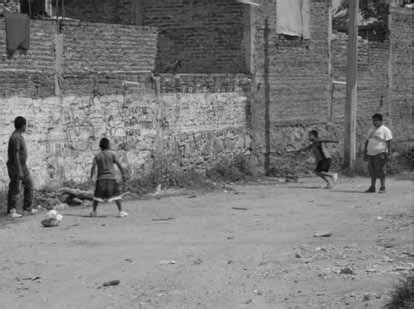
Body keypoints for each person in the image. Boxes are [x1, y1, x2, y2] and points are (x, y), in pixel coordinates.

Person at [7, 116, 37, 218]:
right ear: (22, 125)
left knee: (29, 185)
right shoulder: (16, 137)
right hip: (17, 167)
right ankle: (12, 210)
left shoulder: (18, 136)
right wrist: (19, 170)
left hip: (22, 166)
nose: (26, 127)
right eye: (25, 125)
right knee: (15, 188)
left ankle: (27, 208)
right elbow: (15, 154)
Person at [90, 138, 128, 217]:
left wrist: (91, 176)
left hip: (100, 179)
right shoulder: (112, 154)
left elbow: (93, 167)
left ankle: (94, 211)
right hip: (111, 178)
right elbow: (119, 164)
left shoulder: (97, 156)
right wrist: (123, 174)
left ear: (100, 146)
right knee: (117, 195)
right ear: (108, 145)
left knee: (96, 196)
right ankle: (121, 211)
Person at [364, 113, 392, 193]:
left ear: (381, 121)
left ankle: (383, 187)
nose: (374, 122)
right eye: (373, 121)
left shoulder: (385, 130)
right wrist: (365, 152)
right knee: (371, 171)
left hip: (381, 153)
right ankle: (372, 187)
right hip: (370, 154)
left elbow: (389, 142)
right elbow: (367, 141)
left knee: (381, 170)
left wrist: (388, 153)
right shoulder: (371, 129)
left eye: (376, 121)